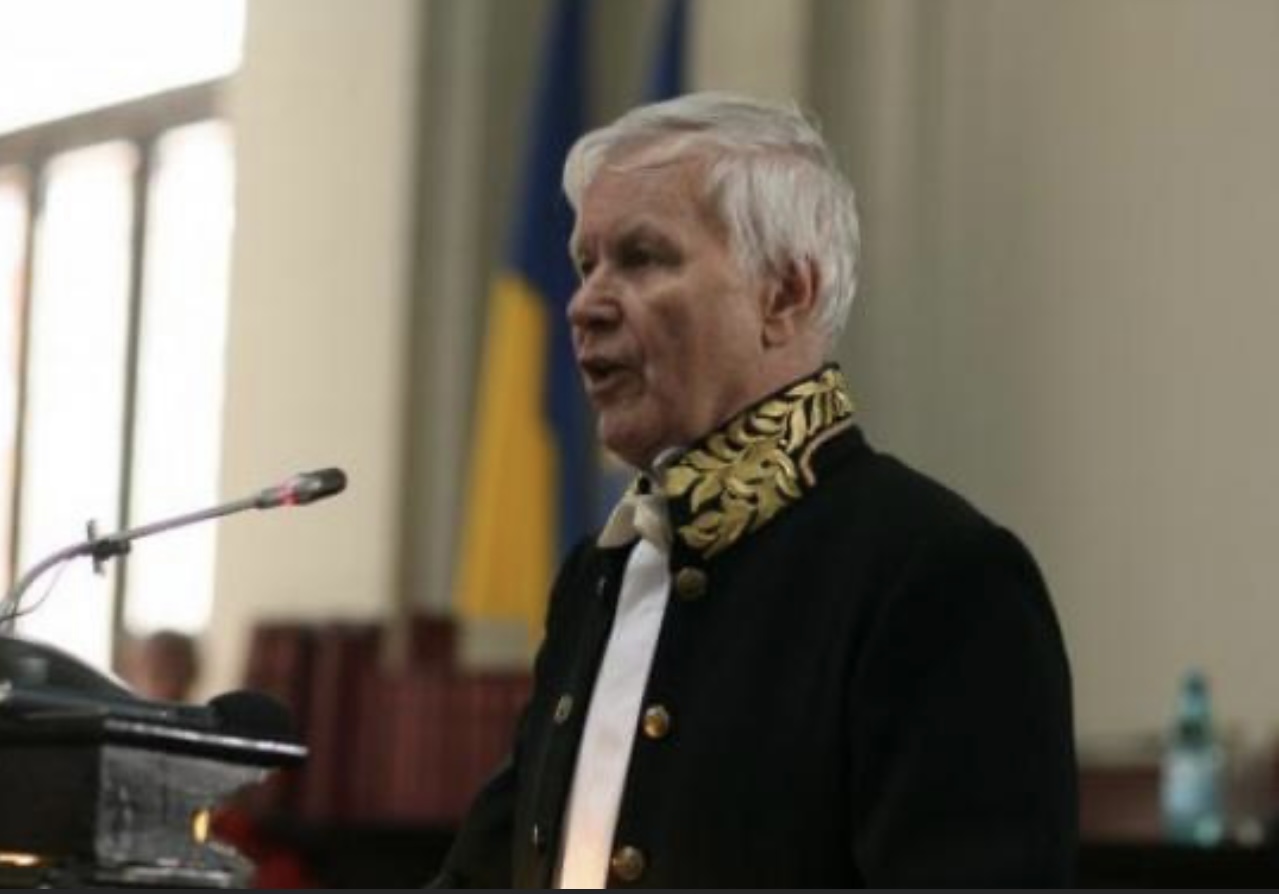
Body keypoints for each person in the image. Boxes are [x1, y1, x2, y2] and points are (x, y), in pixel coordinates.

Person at [434, 92, 1076, 888]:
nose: (583, 305)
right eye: (584, 264)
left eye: (641, 257)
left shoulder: (939, 575)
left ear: (783, 295)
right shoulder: (599, 573)